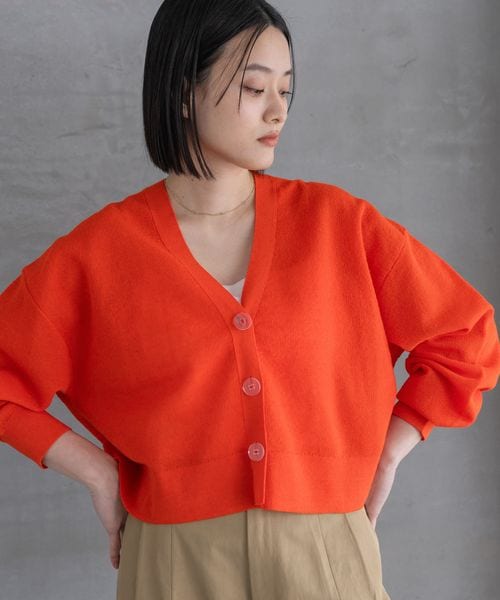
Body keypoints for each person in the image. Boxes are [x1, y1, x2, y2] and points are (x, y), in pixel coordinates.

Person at [1, 1, 499, 599]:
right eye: (254, 87)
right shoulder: (99, 254)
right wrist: (96, 471)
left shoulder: (338, 225)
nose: (278, 109)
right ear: (183, 92)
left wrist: (390, 449)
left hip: (324, 553)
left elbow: (466, 336)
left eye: (286, 89)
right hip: (173, 561)